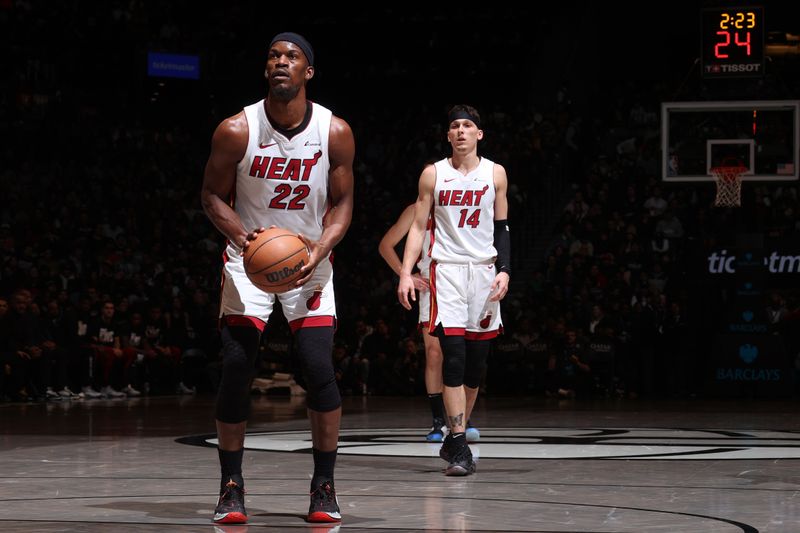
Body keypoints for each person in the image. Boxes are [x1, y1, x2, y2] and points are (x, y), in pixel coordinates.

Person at [201, 32, 354, 524]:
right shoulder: (236, 129)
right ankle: (231, 485)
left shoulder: (334, 132)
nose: (280, 62)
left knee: (317, 370)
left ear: (308, 72)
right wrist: (245, 240)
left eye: (291, 57)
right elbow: (210, 196)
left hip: (309, 262)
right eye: (272, 55)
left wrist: (322, 247)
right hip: (250, 261)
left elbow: (344, 202)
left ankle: (324, 485)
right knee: (236, 368)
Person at [398, 104, 510, 476]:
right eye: (454, 126)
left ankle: (455, 434)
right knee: (454, 358)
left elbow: (502, 227)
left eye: (468, 125)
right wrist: (404, 271)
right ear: (448, 135)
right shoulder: (433, 174)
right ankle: (459, 443)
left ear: (479, 134)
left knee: (476, 367)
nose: (461, 130)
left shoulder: (495, 173)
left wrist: (505, 270)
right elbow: (417, 227)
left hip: (483, 272)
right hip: (445, 273)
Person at [379, 201, 481, 443]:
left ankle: (462, 418)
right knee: (435, 354)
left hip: (463, 280)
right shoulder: (415, 209)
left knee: (461, 353)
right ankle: (438, 420)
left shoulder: (460, 204)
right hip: (431, 283)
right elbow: (385, 245)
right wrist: (405, 274)